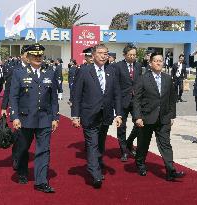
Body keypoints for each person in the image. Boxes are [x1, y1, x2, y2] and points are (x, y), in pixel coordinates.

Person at [9, 43, 59, 193]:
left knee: (44, 150)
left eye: (40, 56)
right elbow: (14, 96)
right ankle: (23, 171)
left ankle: (41, 181)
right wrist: (15, 117)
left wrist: (55, 117)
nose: (38, 58)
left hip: (44, 118)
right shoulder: (19, 73)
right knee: (23, 148)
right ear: (28, 57)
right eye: (34, 55)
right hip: (25, 118)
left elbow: (54, 98)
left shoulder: (49, 73)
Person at [71, 44, 122, 189]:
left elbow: (117, 94)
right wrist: (75, 115)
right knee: (92, 143)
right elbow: (76, 95)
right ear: (93, 55)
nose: (103, 56)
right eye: (100, 53)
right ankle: (95, 173)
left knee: (100, 143)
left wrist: (118, 114)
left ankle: (97, 164)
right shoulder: (84, 71)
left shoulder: (112, 71)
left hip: (105, 114)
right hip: (89, 114)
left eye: (106, 53)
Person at [133, 52, 185, 181]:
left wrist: (172, 116)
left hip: (164, 118)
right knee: (143, 144)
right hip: (146, 118)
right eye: (155, 61)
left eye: (160, 61)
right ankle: (140, 164)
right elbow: (136, 100)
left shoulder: (168, 78)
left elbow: (172, 99)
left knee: (165, 144)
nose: (158, 63)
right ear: (150, 63)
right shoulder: (143, 78)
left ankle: (170, 171)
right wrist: (137, 117)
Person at [114, 43, 142, 162]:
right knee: (121, 128)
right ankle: (124, 151)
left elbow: (140, 83)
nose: (132, 57)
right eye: (130, 54)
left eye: (134, 55)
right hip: (122, 100)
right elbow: (115, 85)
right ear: (124, 55)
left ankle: (129, 142)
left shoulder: (139, 66)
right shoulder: (118, 66)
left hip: (136, 100)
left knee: (139, 124)